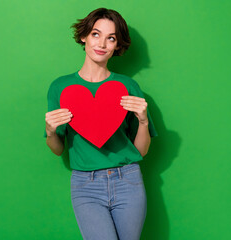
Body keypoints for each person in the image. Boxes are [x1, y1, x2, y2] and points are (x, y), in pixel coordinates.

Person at [44, 8, 158, 240]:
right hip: (86, 184)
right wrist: (50, 132)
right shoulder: (61, 88)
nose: (102, 43)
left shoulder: (127, 87)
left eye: (111, 38)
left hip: (128, 181)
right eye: (96, 34)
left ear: (117, 45)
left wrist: (144, 121)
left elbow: (142, 151)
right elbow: (58, 150)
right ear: (84, 36)